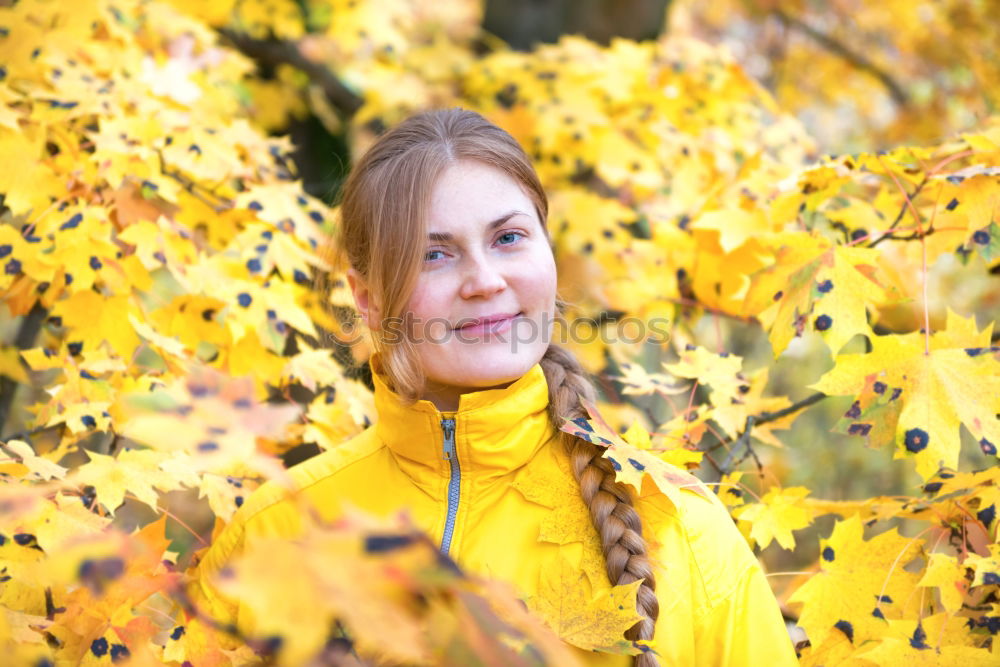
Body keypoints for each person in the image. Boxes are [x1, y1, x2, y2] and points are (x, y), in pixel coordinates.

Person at [190, 108, 798, 666]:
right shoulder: (272, 532)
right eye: (434, 254)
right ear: (369, 300)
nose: (484, 280)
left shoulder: (679, 526)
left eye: (508, 238)